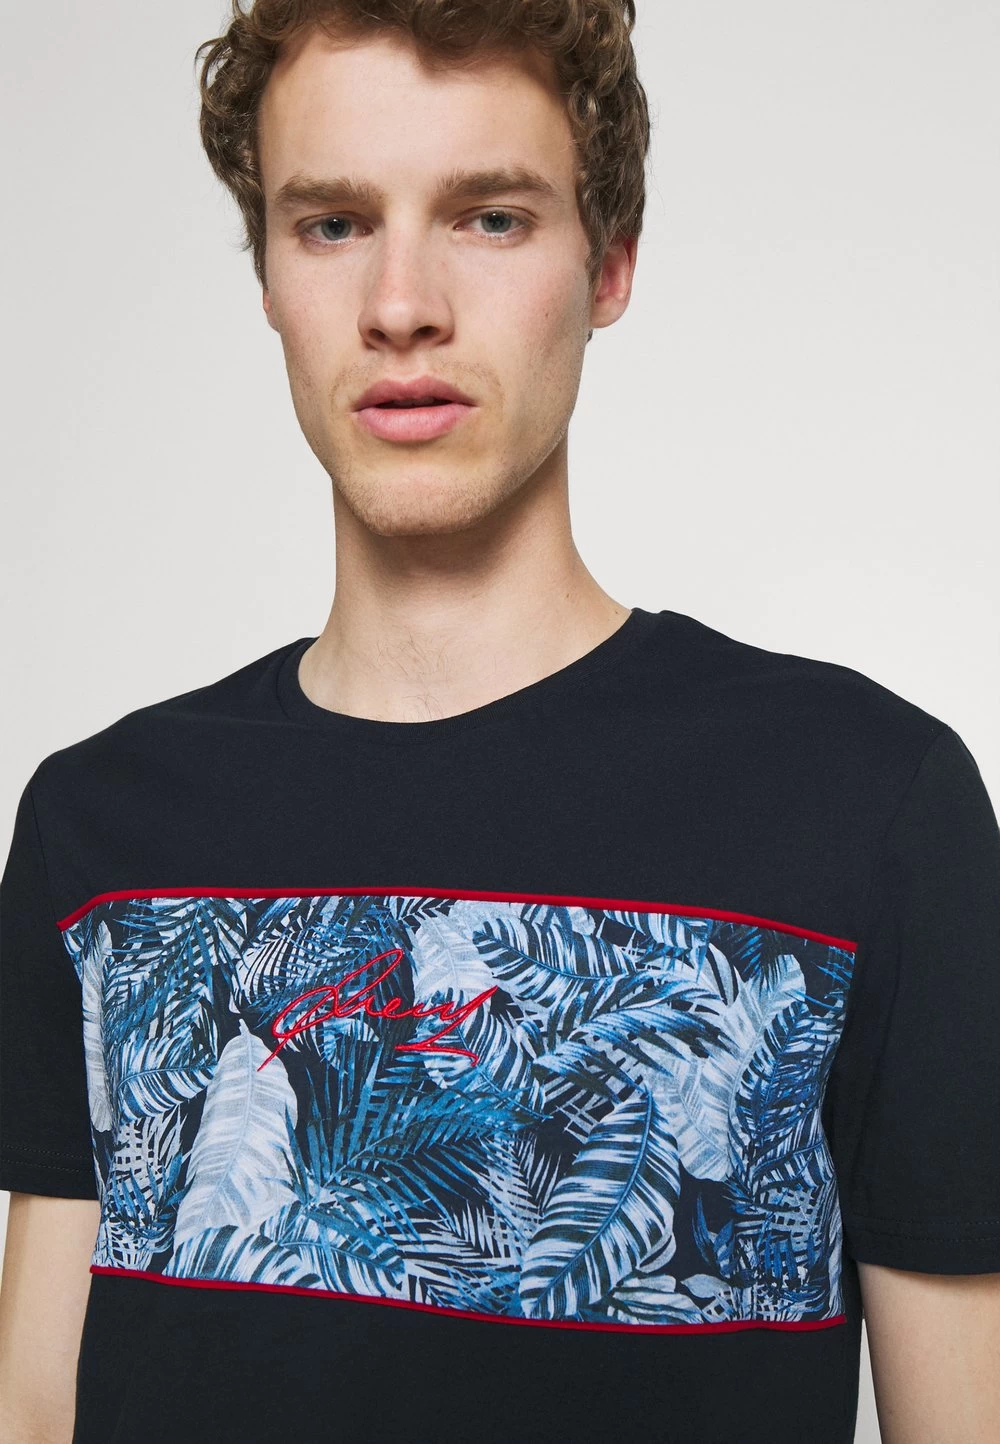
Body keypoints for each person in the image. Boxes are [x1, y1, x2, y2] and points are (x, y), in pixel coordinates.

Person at [1, 1, 997, 1440]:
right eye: (333, 223)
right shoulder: (99, 829)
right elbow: (39, 1410)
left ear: (611, 261)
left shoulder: (870, 806)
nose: (402, 303)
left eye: (490, 217)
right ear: (267, 273)